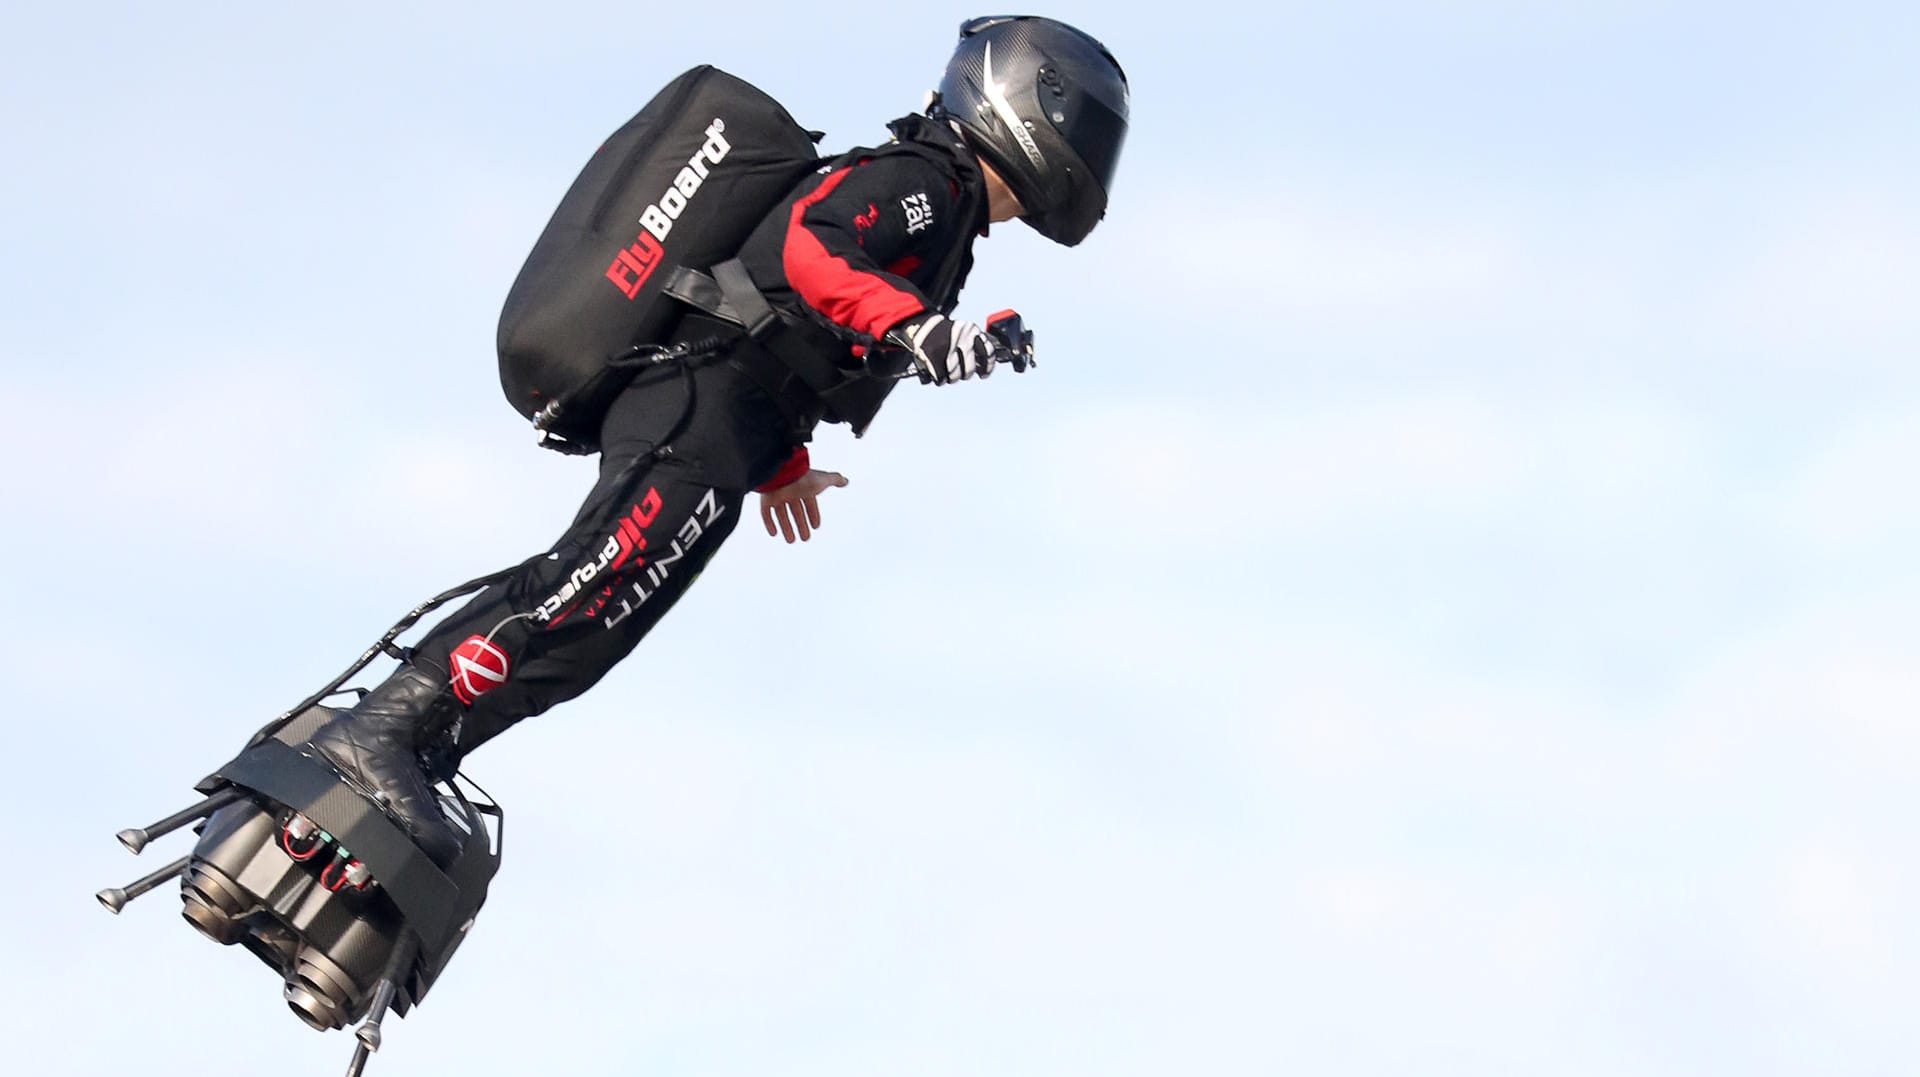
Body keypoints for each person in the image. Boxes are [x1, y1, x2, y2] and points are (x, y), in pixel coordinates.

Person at [301, 15, 1130, 866]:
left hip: (728, 432)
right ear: (1033, 100)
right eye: (1092, 132)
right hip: (691, 401)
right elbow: (810, 250)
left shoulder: (951, 222)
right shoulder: (928, 178)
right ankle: (378, 731)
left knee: (593, 634)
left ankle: (421, 751)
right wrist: (921, 329)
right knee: (589, 576)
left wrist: (785, 463)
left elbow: (799, 329)